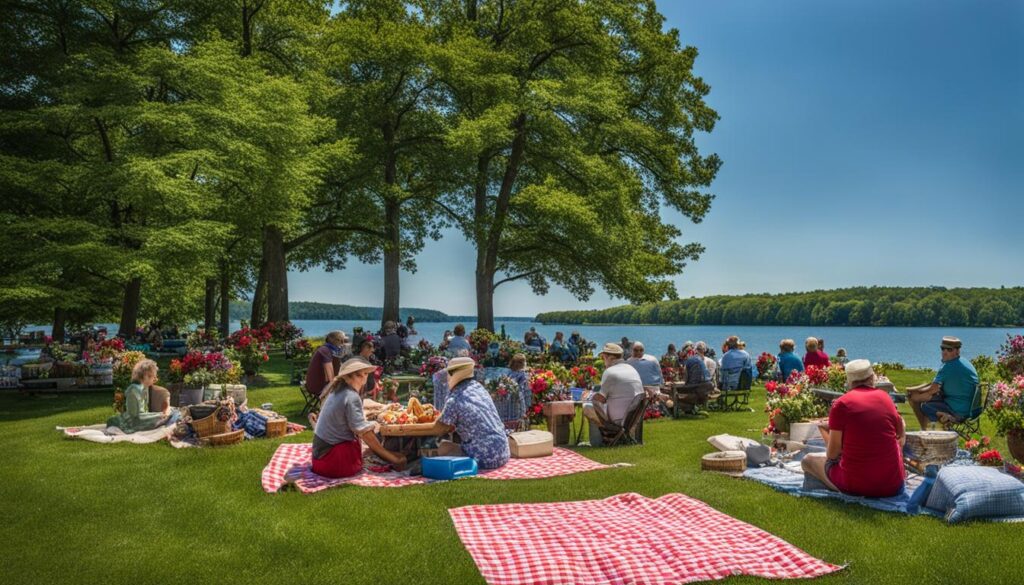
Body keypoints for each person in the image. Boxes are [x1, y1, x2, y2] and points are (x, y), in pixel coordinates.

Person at [801, 359, 906, 498]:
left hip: (857, 486)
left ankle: (823, 490)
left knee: (808, 460)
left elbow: (832, 454)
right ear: (872, 378)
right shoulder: (886, 398)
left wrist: (829, 430)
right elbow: (900, 435)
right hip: (894, 486)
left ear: (849, 381)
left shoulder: (842, 404)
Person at [312, 358, 407, 478]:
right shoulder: (351, 396)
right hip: (333, 464)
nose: (363, 377)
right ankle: (394, 456)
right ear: (347, 377)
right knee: (370, 433)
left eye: (366, 373)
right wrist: (393, 459)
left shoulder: (337, 391)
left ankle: (390, 454)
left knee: (371, 430)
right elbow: (363, 432)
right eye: (358, 375)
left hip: (319, 460)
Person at [432, 357, 510, 470]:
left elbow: (438, 429)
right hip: (503, 453)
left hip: (484, 458)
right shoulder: (479, 388)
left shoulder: (454, 399)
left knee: (444, 447)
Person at [907, 336, 980, 430]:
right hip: (968, 409)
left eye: (949, 350)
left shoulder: (948, 366)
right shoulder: (963, 362)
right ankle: (932, 426)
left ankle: (928, 428)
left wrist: (914, 395)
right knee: (929, 398)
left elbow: (932, 389)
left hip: (958, 412)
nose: (944, 352)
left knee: (925, 406)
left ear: (957, 351)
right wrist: (921, 392)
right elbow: (936, 387)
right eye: (942, 348)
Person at [583, 343, 644, 441]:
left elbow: (600, 400)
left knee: (587, 407)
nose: (603, 361)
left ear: (609, 357)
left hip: (619, 421)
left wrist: (587, 397)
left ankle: (603, 440)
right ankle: (618, 437)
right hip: (633, 418)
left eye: (603, 358)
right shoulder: (632, 369)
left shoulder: (610, 372)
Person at [106, 359, 175, 433]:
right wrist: (154, 416)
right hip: (134, 420)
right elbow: (133, 415)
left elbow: (145, 410)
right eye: (153, 377)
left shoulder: (144, 388)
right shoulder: (133, 390)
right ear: (146, 376)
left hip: (142, 417)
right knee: (163, 416)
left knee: (168, 413)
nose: (155, 379)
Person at [306, 331, 346, 401]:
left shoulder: (325, 349)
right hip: (317, 387)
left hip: (312, 384)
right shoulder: (326, 351)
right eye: (341, 340)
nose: (343, 343)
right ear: (335, 340)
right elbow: (331, 377)